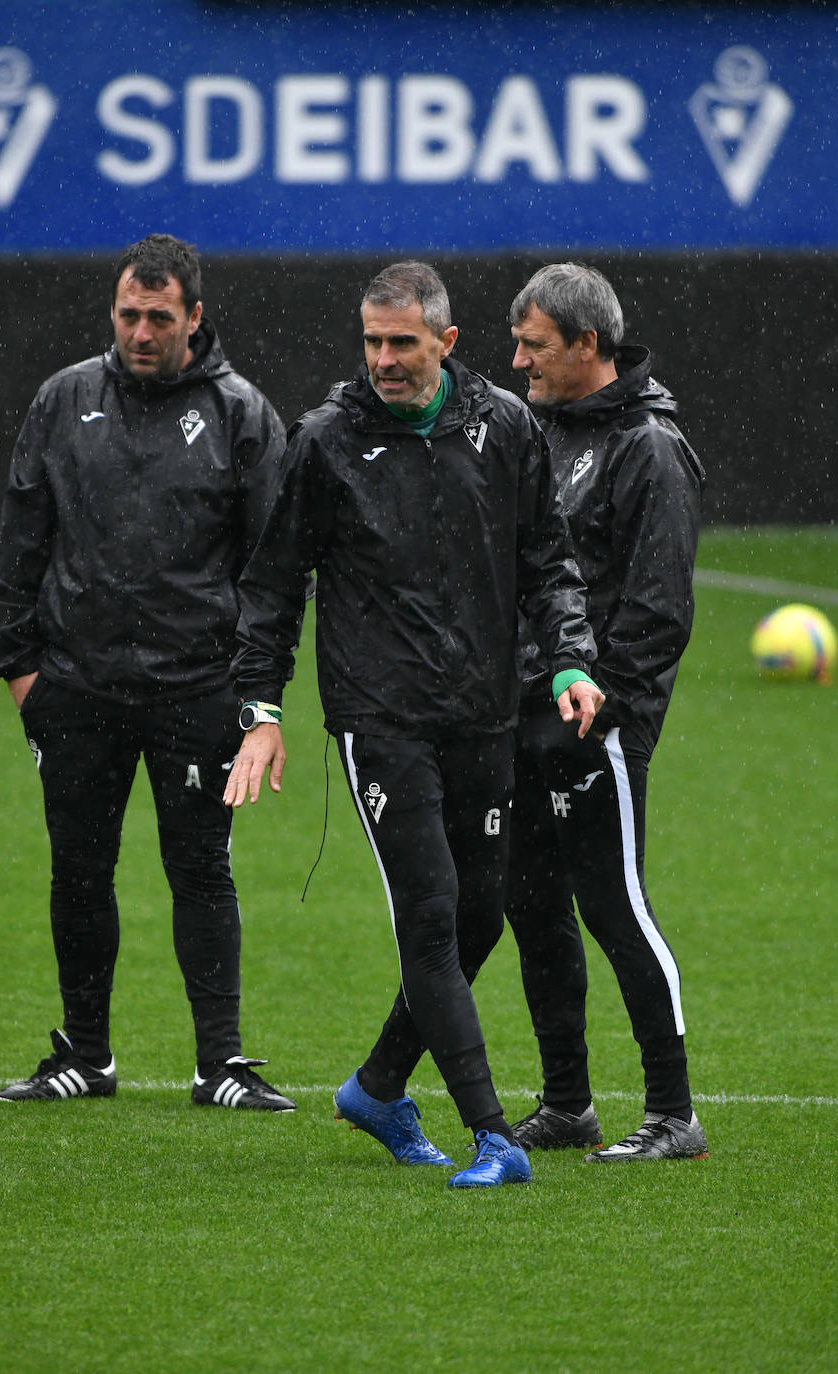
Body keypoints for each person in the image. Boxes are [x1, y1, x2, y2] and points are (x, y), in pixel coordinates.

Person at [223, 261, 604, 1188]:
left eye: (402, 342)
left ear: (446, 342)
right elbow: (274, 587)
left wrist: (569, 657)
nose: (384, 360)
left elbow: (548, 561)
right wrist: (260, 712)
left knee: (481, 920)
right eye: (371, 341)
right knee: (432, 917)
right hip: (381, 720)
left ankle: (379, 1086)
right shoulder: (324, 442)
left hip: (481, 716)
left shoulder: (505, 429)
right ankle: (494, 1137)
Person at [0, 233, 296, 1112]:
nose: (142, 331)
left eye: (160, 317)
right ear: (113, 311)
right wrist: (22, 675)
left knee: (200, 871)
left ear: (195, 318)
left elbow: (273, 571)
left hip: (196, 689)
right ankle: (84, 1053)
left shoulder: (242, 415)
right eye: (129, 314)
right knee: (76, 871)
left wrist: (253, 695)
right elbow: (19, 543)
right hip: (75, 688)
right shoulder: (63, 401)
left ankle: (221, 1066)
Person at [505, 262, 708, 1161]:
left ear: (590, 345)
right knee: (533, 906)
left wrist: (600, 707)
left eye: (535, 345)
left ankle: (673, 1114)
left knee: (612, 905)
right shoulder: (537, 431)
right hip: (522, 713)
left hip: (598, 724)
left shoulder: (648, 448)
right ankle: (567, 1103)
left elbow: (660, 610)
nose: (519, 363)